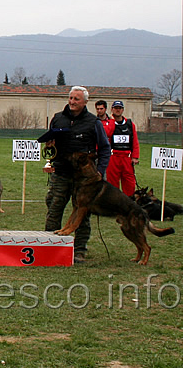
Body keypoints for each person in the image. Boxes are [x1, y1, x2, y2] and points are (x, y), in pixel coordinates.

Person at [43, 86, 110, 263]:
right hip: (61, 172)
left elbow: (104, 149)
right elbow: (51, 144)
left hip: (85, 179)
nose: (72, 102)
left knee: (82, 212)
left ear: (85, 102)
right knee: (54, 207)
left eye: (76, 99)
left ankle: (79, 249)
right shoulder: (58, 119)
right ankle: (50, 244)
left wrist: (100, 172)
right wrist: (49, 146)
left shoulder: (93, 122)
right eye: (70, 98)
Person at [106, 100, 140, 196]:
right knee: (112, 182)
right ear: (112, 109)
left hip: (127, 157)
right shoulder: (109, 123)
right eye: (116, 108)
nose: (118, 110)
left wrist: (135, 157)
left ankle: (129, 202)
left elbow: (135, 141)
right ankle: (114, 203)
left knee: (129, 182)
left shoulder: (130, 124)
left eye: (119, 108)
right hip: (113, 156)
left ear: (123, 110)